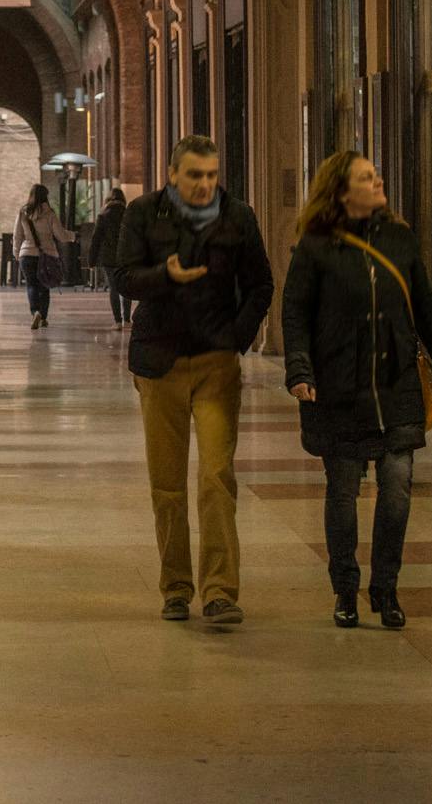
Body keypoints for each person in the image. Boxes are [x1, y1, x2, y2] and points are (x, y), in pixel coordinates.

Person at [281, 151, 432, 631]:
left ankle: (386, 586)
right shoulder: (315, 246)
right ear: (342, 191)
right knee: (342, 490)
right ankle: (345, 589)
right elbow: (295, 313)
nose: (378, 180)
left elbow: (422, 300)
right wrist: (300, 370)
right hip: (338, 387)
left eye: (376, 174)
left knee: (398, 487)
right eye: (367, 177)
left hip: (396, 382)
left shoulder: (399, 239)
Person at [115, 135, 273, 626]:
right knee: (167, 484)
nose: (205, 184)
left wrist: (236, 341)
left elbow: (261, 284)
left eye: (211, 175)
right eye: (195, 175)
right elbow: (123, 277)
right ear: (172, 175)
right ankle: (176, 588)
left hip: (214, 364)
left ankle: (221, 590)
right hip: (158, 362)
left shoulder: (239, 217)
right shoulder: (143, 214)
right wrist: (165, 275)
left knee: (216, 478)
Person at [14, 183, 73, 328]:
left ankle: (35, 312)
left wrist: (16, 253)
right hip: (46, 255)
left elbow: (17, 236)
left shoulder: (23, 212)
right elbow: (60, 235)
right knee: (44, 286)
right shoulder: (50, 214)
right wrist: (72, 236)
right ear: (45, 196)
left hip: (26, 255)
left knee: (31, 285)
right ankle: (43, 317)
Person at [87, 188, 132, 326]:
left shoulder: (103, 215)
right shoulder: (129, 214)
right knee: (125, 287)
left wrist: (92, 260)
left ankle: (117, 321)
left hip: (109, 258)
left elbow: (96, 239)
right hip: (126, 256)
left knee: (114, 287)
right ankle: (127, 320)